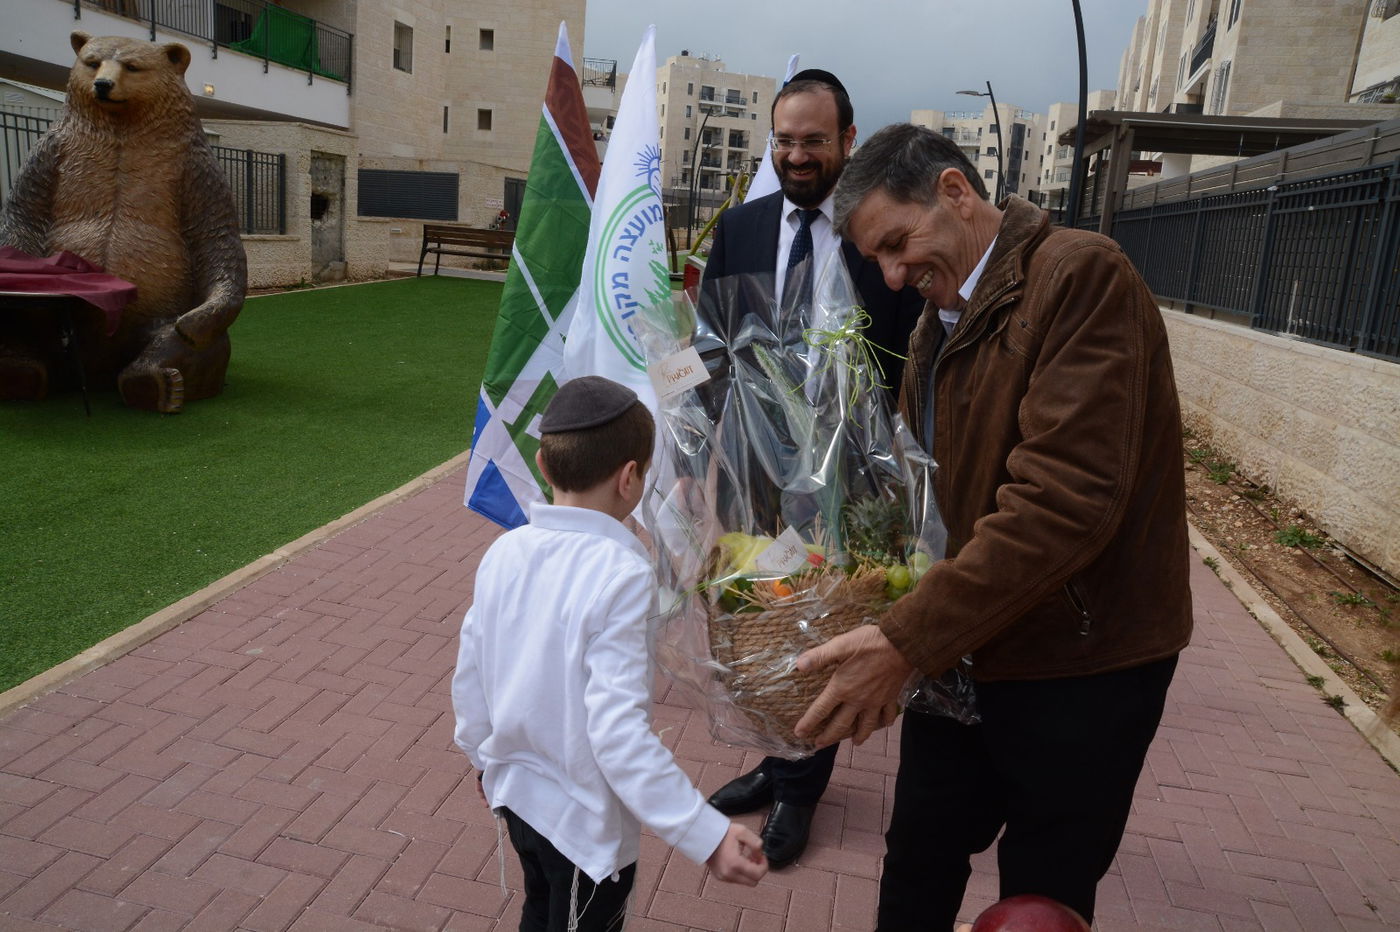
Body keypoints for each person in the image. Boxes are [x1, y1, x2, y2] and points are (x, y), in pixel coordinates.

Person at [792, 123, 1193, 929]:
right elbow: (929, 494)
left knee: (1040, 895)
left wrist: (905, 640)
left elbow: (1065, 501)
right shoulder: (935, 321)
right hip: (961, 647)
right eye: (876, 259)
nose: (893, 275)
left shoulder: (1080, 276)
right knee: (917, 858)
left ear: (955, 192)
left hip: (1077, 663)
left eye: (898, 244)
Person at [696, 69, 926, 871]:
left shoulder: (876, 229)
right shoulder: (741, 228)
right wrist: (682, 437)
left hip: (849, 478)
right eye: (785, 140)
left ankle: (800, 787)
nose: (796, 155)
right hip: (753, 473)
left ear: (847, 141)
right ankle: (777, 754)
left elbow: (910, 351)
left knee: (820, 624)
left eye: (814, 141)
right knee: (763, 613)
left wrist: (901, 470)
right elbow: (706, 345)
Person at [452, 375, 767, 932]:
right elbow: (617, 734)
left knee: (539, 908)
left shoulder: (504, 550)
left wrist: (483, 760)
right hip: (585, 830)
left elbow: (470, 675)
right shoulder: (622, 573)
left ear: (543, 465)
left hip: (516, 797)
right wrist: (707, 834)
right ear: (630, 479)